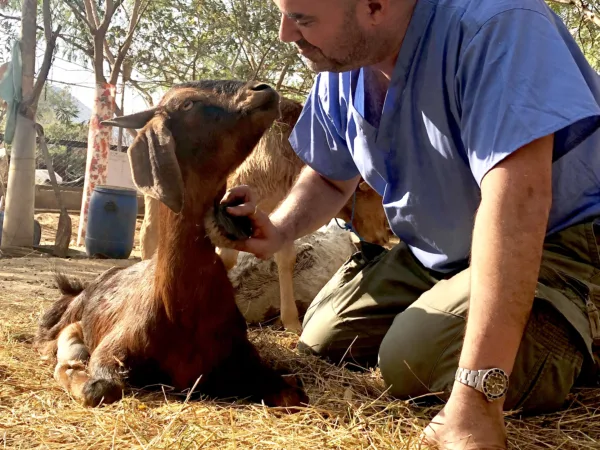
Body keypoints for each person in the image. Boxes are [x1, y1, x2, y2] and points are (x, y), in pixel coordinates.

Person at [221, 0, 600, 447]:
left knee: (413, 359)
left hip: (559, 240)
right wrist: (279, 229)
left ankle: (580, 324)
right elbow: (328, 175)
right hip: (440, 252)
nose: (286, 34)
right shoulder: (342, 65)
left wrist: (477, 401)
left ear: (375, 6)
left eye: (302, 19)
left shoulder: (496, 25)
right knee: (323, 336)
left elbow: (519, 201)